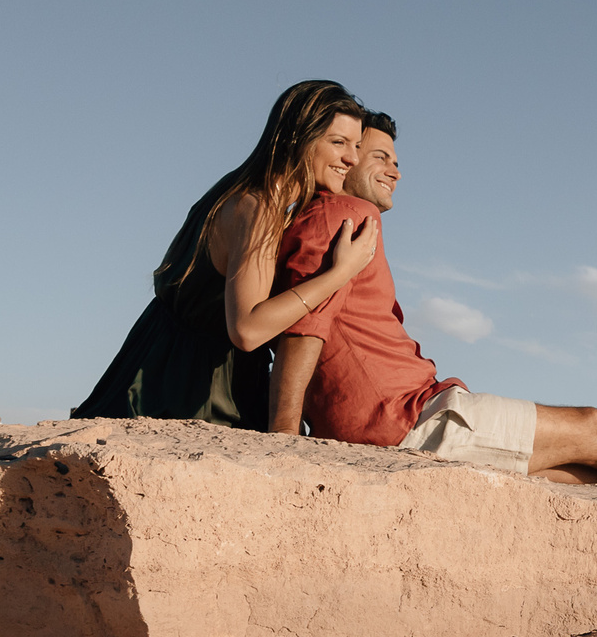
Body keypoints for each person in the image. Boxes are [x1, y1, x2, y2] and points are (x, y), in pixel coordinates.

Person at [270, 116, 597, 505]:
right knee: (592, 428)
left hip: (406, 414)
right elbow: (305, 325)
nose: (395, 171)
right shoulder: (344, 211)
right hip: (408, 420)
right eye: (377, 156)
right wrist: (285, 434)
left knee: (573, 470)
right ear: (343, 156)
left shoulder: (337, 216)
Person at [75, 81, 381, 427]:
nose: (352, 158)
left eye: (356, 145)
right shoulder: (260, 206)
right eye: (337, 142)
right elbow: (248, 330)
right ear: (297, 138)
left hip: (155, 363)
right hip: (191, 392)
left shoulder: (237, 188)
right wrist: (340, 273)